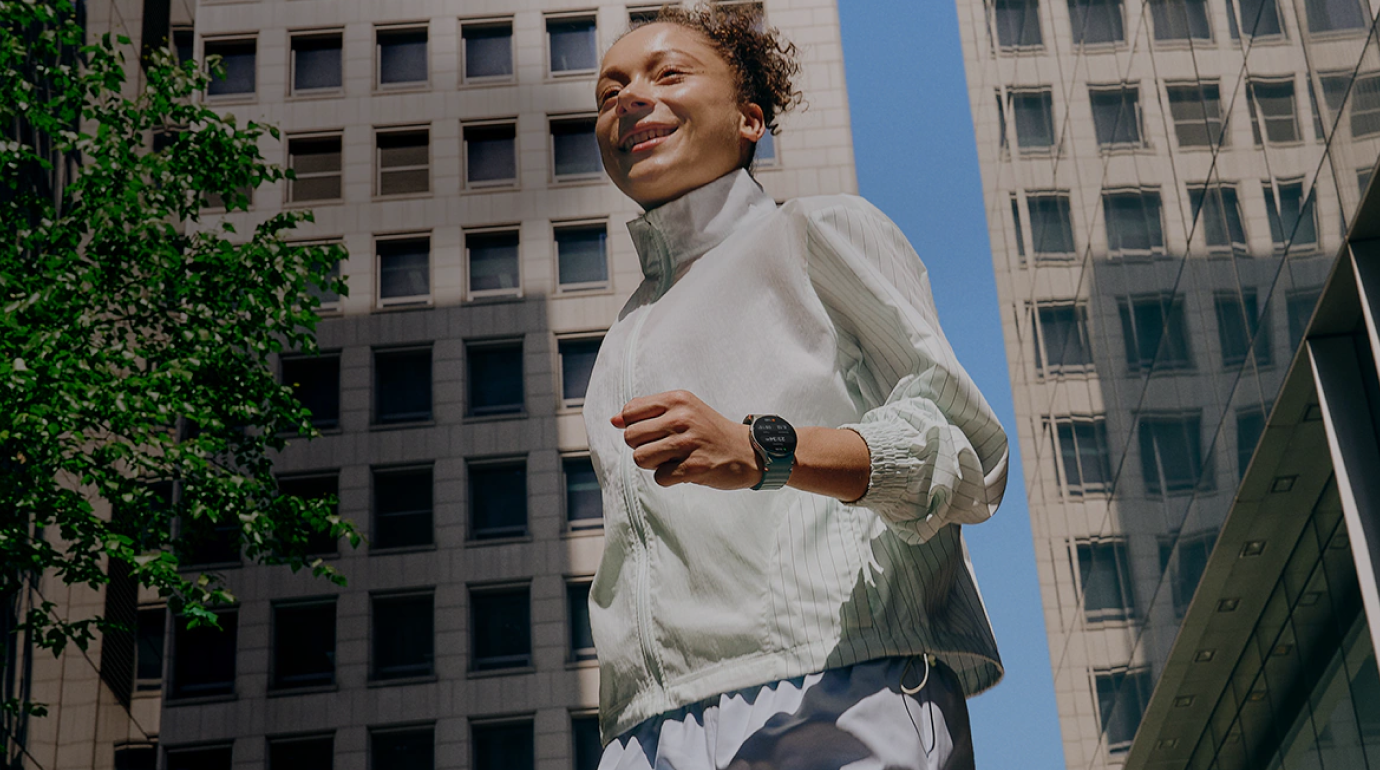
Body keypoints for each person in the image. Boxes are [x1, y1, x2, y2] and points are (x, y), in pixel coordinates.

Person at [582, 6, 1008, 769]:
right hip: (649, 730)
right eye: (609, 93)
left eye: (667, 73)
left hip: (835, 686)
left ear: (750, 119)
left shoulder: (819, 232)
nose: (630, 101)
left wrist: (762, 449)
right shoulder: (622, 335)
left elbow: (961, 453)